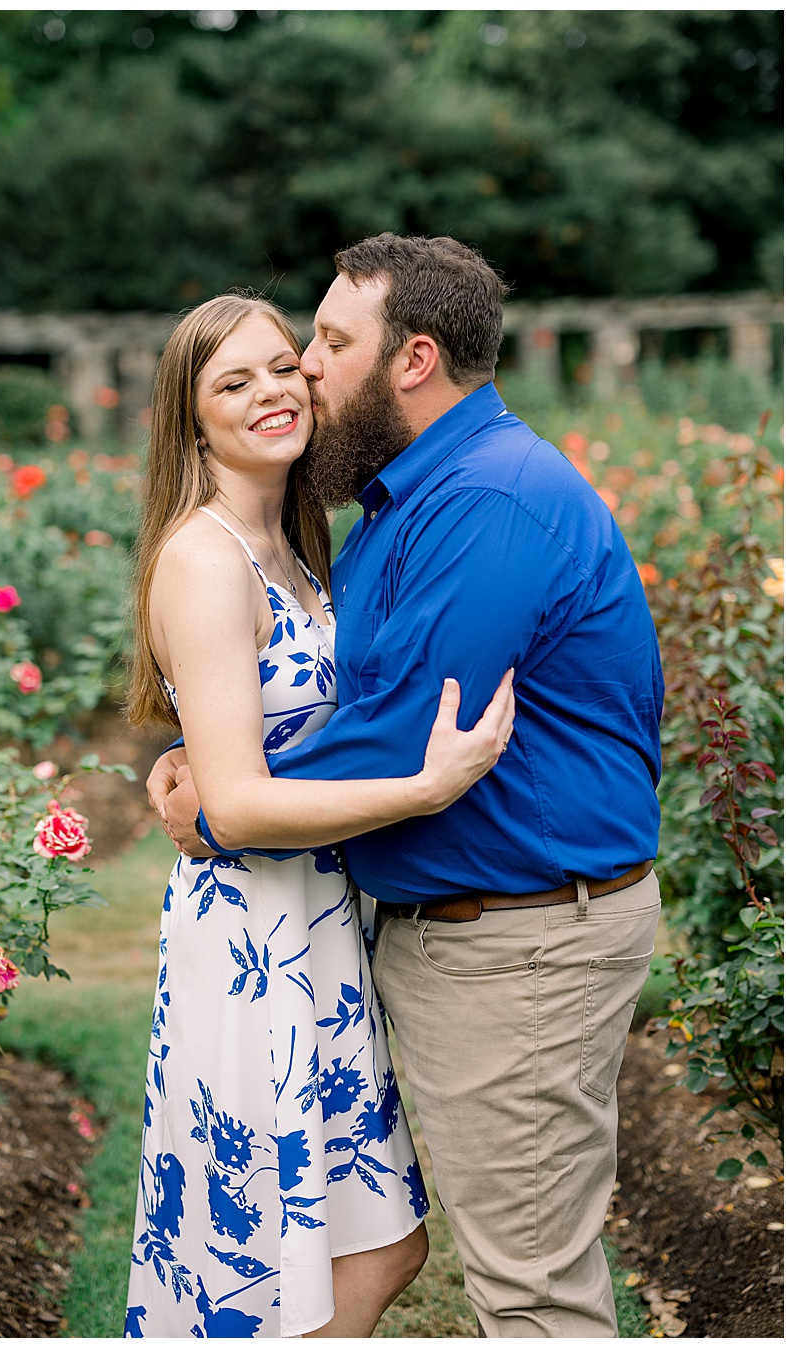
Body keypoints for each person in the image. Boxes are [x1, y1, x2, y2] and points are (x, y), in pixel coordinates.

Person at [150, 236, 664, 1337]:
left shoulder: (485, 502)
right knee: (329, 1243)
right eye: (250, 373)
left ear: (413, 359)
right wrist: (223, 764)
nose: (303, 374)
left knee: (517, 1286)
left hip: (518, 941)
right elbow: (350, 713)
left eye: (322, 346)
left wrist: (218, 797)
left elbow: (392, 738)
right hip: (364, 930)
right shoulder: (391, 502)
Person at [124, 293, 515, 1339]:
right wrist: (426, 788)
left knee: (371, 1242)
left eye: (281, 366)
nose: (271, 392)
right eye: (232, 382)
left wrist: (192, 761)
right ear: (190, 420)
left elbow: (253, 744)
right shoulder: (205, 559)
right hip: (255, 935)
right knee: (285, 1257)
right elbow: (243, 804)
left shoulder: (298, 545)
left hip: (317, 922)